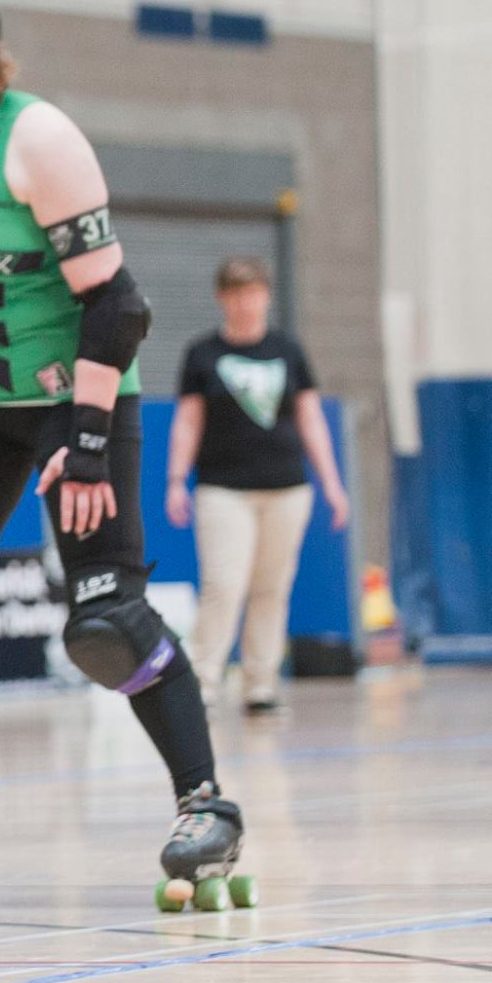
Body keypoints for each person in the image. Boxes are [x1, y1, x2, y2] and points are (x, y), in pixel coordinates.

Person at [0, 0, 250, 915]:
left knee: (107, 622)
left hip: (77, 396)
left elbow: (116, 305)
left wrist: (88, 440)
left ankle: (207, 803)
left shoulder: (38, 140)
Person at [167, 254, 349, 713]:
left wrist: (331, 483)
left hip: (287, 486)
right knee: (223, 584)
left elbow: (309, 418)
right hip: (223, 488)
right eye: (236, 294)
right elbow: (188, 421)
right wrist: (175, 479)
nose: (246, 303)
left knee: (272, 587)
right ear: (221, 298)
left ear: (266, 296)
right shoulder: (202, 354)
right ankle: (203, 680)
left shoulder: (288, 350)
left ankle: (260, 684)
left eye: (253, 293)